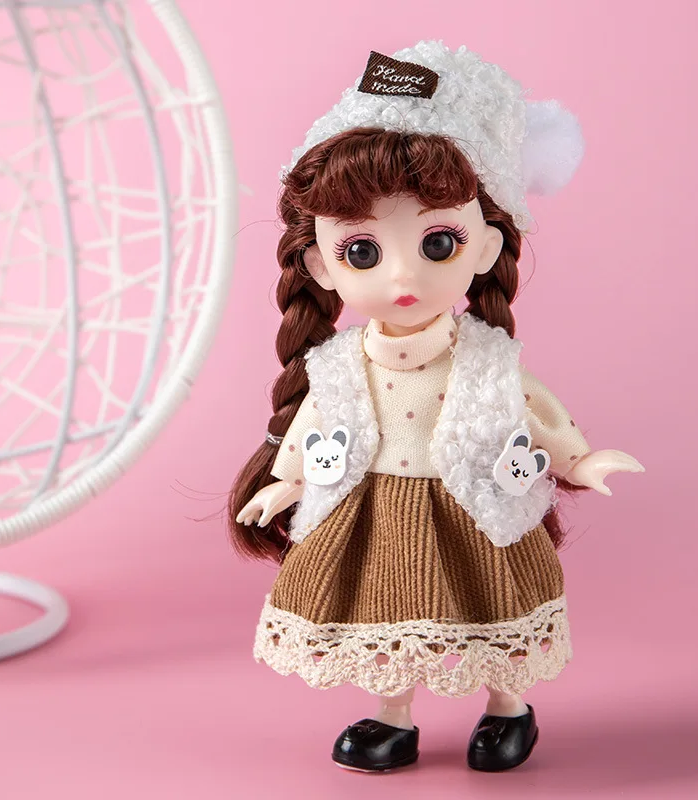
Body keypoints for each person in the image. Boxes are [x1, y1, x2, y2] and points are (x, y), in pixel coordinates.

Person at [228, 41, 644, 773]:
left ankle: (508, 706)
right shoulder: (339, 363)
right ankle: (393, 715)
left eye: (437, 242)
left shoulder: (484, 356)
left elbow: (533, 408)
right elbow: (318, 424)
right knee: (387, 610)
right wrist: (287, 481)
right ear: (321, 263)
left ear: (484, 246)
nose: (403, 276)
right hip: (379, 509)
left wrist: (580, 458)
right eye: (363, 251)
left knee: (493, 604)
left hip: (472, 505)